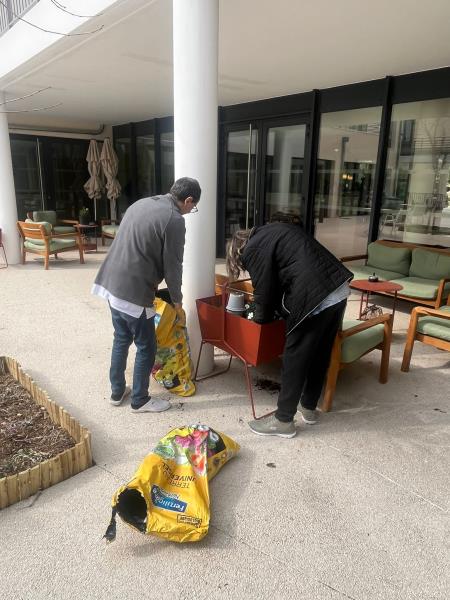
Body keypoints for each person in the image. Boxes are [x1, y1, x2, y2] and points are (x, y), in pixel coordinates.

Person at [226, 222, 353, 438]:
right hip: (338, 289)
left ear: (238, 251)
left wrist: (259, 321)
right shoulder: (274, 230)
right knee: (321, 353)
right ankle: (309, 408)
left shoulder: (252, 249)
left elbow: (264, 291)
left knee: (295, 357)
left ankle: (283, 420)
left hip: (315, 296)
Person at [92, 177, 201, 413]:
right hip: (134, 290)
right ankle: (140, 400)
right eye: (193, 207)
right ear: (188, 200)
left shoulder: (141, 203)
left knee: (121, 338)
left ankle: (117, 392)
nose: (190, 211)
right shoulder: (174, 220)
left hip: (110, 282)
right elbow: (173, 266)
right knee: (146, 347)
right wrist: (178, 302)